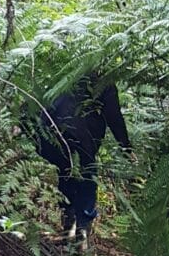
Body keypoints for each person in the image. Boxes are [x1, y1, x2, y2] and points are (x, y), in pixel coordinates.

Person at [32, 74, 131, 245]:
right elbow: (113, 116)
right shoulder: (104, 80)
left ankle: (69, 226)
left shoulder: (68, 71)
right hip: (81, 137)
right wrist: (126, 146)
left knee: (66, 174)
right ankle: (81, 231)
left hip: (53, 132)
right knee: (86, 176)